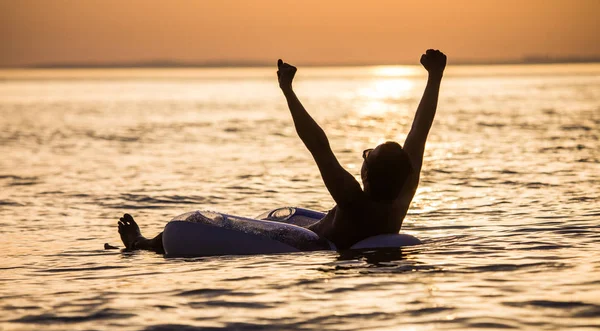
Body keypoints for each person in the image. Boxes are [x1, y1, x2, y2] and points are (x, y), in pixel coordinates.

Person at [116, 49, 446, 252]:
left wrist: (287, 90)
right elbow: (420, 132)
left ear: (367, 176)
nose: (363, 154)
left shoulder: (352, 198)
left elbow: (317, 143)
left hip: (304, 243)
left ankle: (140, 244)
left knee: (197, 220)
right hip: (334, 235)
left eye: (366, 156)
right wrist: (434, 76)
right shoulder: (403, 193)